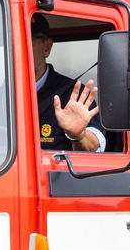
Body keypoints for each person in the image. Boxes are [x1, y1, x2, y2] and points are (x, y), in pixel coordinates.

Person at [29, 12, 106, 152]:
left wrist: (78, 135)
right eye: (12, 42)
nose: (17, 49)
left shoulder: (74, 95)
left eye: (28, 40)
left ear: (47, 48)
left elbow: (95, 148)